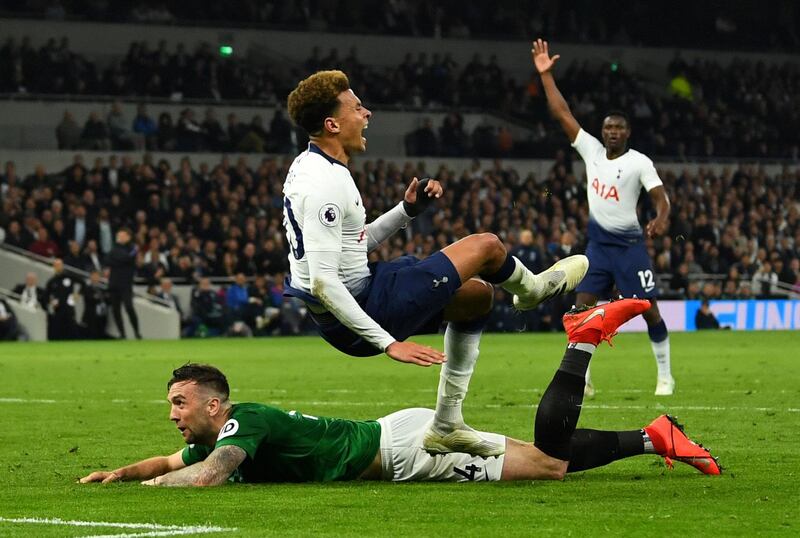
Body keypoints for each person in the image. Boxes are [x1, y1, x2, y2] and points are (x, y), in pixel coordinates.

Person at [78, 299, 720, 487]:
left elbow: (207, 476)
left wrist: (157, 488)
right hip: (400, 436)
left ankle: (581, 341)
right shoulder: (226, 428)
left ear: (216, 405)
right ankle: (651, 436)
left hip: (409, 453)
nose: (173, 415)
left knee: (550, 464)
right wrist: (120, 474)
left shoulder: (245, 424)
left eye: (180, 403)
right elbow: (167, 464)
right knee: (546, 455)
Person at [282, 70, 588, 457]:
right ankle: (534, 291)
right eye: (357, 108)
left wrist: (407, 211)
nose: (367, 114)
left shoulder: (311, 167)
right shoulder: (325, 183)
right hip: (359, 309)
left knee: (476, 296)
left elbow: (352, 248)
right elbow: (324, 281)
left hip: (364, 291)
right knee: (488, 246)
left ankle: (446, 425)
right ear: (332, 124)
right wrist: (389, 343)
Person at [532, 39, 674, 397]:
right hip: (598, 247)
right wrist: (547, 76)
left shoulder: (639, 161)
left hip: (629, 247)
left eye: (618, 128)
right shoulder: (591, 151)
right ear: (604, 130)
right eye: (607, 127)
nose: (612, 132)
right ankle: (583, 378)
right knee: (582, 313)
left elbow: (661, 198)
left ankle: (665, 375)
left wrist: (660, 217)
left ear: (627, 133)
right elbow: (562, 113)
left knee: (649, 310)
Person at [106, 228, 142, 339]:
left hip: (126, 284)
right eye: (118, 235)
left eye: (122, 235)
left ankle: (136, 332)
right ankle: (122, 334)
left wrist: (123, 260)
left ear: (128, 237)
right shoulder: (115, 249)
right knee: (116, 309)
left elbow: (124, 259)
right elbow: (109, 260)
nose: (119, 237)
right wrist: (127, 258)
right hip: (114, 283)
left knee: (129, 307)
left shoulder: (131, 248)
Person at [44, 258, 80, 340]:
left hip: (69, 309)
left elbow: (83, 283)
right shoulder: (52, 281)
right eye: (56, 265)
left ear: (62, 266)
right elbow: (45, 296)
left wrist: (78, 294)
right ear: (54, 267)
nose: (58, 267)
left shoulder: (69, 277)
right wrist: (51, 301)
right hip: (58, 310)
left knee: (72, 331)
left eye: (59, 265)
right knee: (57, 332)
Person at [81, 270, 109, 339]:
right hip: (91, 317)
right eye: (94, 276)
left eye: (97, 276)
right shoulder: (87, 288)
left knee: (100, 335)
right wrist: (100, 297)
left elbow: (108, 299)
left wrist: (100, 297)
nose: (96, 278)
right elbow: (90, 299)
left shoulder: (102, 288)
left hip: (102, 316)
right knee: (91, 335)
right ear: (91, 277)